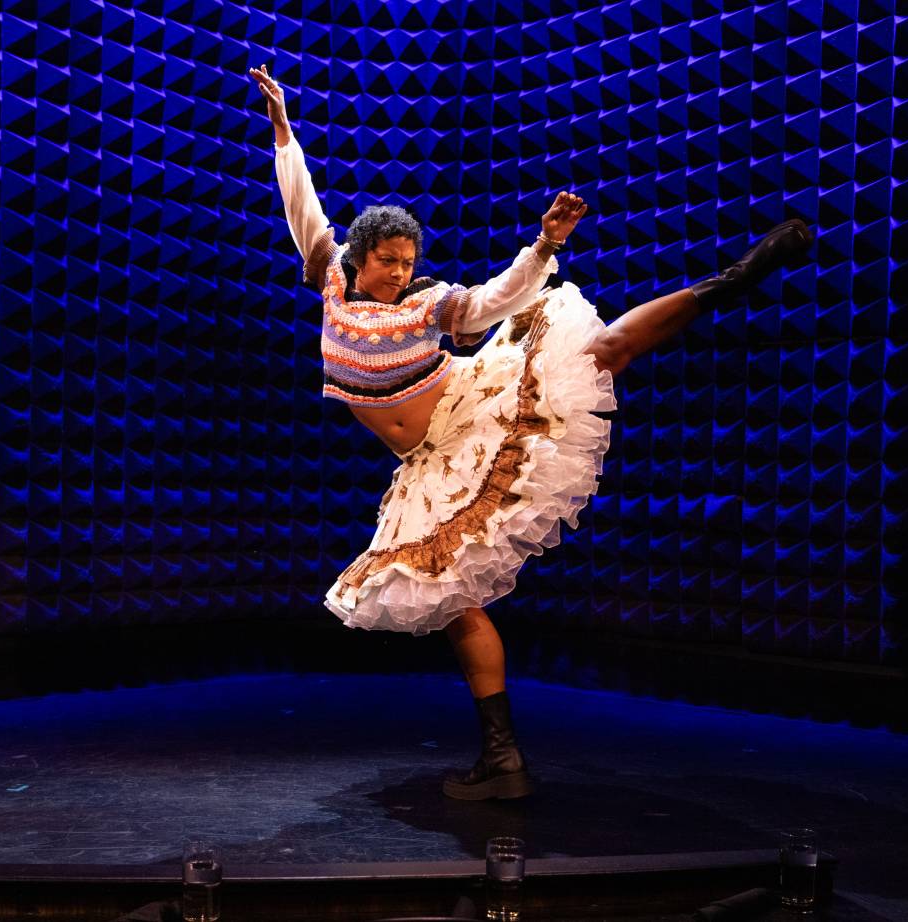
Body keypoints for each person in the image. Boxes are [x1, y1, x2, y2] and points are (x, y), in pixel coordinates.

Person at [250, 65, 812, 800]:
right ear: (360, 258)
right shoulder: (328, 273)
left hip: (470, 413)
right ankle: (503, 756)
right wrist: (284, 129)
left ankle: (733, 277)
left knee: (596, 350)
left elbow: (492, 302)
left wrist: (543, 250)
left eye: (409, 263)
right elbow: (303, 206)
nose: (400, 272)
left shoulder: (431, 304)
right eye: (389, 262)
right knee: (456, 604)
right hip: (427, 459)